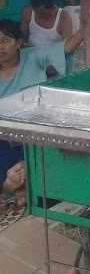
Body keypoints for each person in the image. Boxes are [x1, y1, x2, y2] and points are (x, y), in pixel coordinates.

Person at [0, 18, 83, 196]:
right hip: (3, 139)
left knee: (36, 171)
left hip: (34, 137)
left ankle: (20, 184)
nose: (0, 47)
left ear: (19, 43)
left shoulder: (33, 57)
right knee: (10, 180)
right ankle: (13, 185)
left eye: (5, 41)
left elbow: (67, 47)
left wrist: (88, 28)